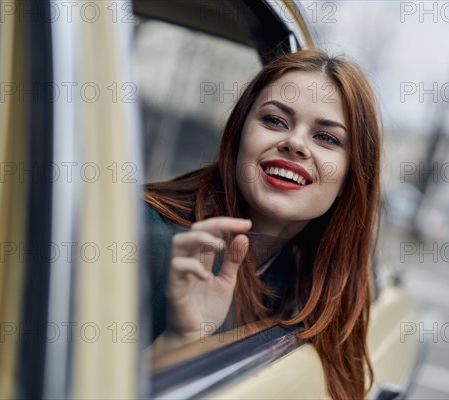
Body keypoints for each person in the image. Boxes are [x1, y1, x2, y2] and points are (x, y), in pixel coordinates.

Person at [143, 49, 381, 400]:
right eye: (275, 121)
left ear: (350, 177)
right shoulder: (144, 236)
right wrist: (180, 341)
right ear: (239, 136)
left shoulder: (320, 287)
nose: (295, 143)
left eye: (327, 138)